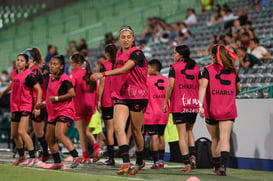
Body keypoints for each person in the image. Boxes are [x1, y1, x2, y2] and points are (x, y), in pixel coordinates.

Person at [91, 25, 148, 175]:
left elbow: (125, 69)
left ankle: (140, 161)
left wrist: (103, 74)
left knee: (136, 131)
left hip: (137, 95)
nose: (126, 39)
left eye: (129, 37)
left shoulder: (137, 52)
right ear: (119, 39)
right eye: (123, 37)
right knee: (118, 128)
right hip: (121, 95)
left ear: (133, 39)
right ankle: (126, 162)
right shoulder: (118, 53)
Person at [199, 44, 241, 176]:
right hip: (228, 109)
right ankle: (223, 166)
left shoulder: (207, 69)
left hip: (212, 109)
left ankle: (216, 166)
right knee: (225, 139)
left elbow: (203, 87)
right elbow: (238, 89)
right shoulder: (233, 70)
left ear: (212, 56)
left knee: (215, 139)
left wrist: (200, 105)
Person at [36, 55, 82, 169]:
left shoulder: (65, 79)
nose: (52, 66)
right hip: (52, 112)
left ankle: (76, 156)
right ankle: (57, 162)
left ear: (61, 67)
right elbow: (50, 98)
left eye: (55, 64)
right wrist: (43, 103)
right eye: (51, 64)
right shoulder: (51, 78)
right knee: (49, 138)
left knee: (59, 134)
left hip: (65, 110)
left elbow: (72, 94)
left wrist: (56, 99)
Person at [163, 45, 200, 172]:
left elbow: (170, 86)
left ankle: (186, 163)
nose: (173, 56)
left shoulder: (174, 67)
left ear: (181, 55)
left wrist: (165, 102)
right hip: (193, 103)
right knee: (190, 131)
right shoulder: (196, 67)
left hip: (179, 103)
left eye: (175, 53)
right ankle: (193, 156)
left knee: (182, 134)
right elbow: (200, 85)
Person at [0, 53, 43, 167]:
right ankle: (22, 156)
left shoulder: (29, 75)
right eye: (17, 60)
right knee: (14, 134)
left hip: (26, 105)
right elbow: (11, 85)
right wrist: (3, 93)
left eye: (21, 60)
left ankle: (33, 157)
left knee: (22, 132)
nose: (19, 62)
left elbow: (39, 90)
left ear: (26, 63)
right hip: (15, 106)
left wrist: (37, 106)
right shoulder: (14, 73)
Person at [69, 53, 103, 164]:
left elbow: (70, 90)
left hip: (79, 105)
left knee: (82, 132)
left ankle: (89, 154)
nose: (71, 65)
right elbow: (96, 90)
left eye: (72, 63)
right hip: (90, 106)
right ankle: (94, 149)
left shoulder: (73, 74)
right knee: (85, 130)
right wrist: (95, 104)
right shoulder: (91, 74)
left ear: (78, 63)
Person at [24, 48, 50, 163]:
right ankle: (41, 153)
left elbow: (38, 91)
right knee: (35, 132)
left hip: (39, 104)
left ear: (30, 59)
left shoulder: (34, 71)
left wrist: (37, 107)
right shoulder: (28, 70)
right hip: (32, 104)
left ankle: (45, 153)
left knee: (39, 133)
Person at [143, 59, 169, 169]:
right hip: (164, 112)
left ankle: (155, 161)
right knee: (161, 136)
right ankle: (161, 160)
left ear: (154, 68)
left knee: (153, 136)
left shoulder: (147, 80)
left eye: (148, 67)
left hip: (151, 112)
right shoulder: (167, 80)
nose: (147, 70)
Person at [97, 44, 117, 166]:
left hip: (108, 100)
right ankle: (126, 157)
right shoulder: (122, 65)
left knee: (109, 130)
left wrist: (99, 100)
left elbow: (102, 84)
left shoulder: (105, 65)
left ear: (107, 54)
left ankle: (111, 158)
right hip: (120, 100)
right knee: (119, 130)